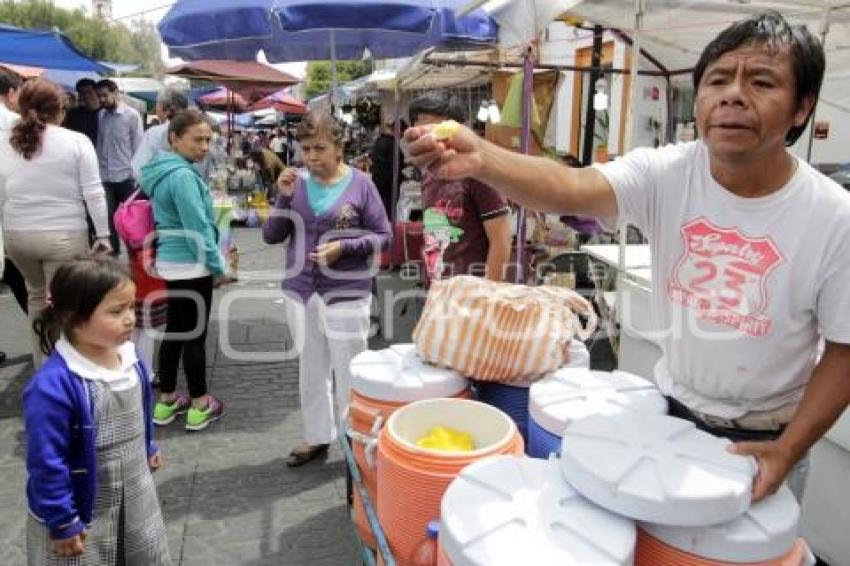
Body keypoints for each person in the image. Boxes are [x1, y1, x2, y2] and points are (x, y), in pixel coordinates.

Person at [405, 11, 850, 503]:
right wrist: (484, 159)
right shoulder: (668, 171)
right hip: (669, 415)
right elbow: (571, 187)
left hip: (768, 435)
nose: (733, 95)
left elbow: (845, 349)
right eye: (718, 79)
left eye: (762, 81)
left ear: (802, 107)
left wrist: (790, 448)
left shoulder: (834, 218)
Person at [263, 111, 391, 467]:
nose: (312, 156)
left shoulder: (361, 184)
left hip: (347, 292)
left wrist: (344, 247)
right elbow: (272, 235)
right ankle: (318, 435)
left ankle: (355, 438)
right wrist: (283, 198)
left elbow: (384, 236)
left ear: (340, 146)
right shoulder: (296, 184)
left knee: (350, 368)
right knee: (311, 367)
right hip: (301, 290)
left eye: (320, 147)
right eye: (306, 149)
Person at [23, 258, 171, 564]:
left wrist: (147, 444)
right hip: (83, 510)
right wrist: (62, 520)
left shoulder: (130, 357)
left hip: (136, 491)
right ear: (72, 316)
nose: (130, 318)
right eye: (116, 312)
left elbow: (140, 410)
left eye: (131, 307)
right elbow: (46, 462)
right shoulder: (53, 385)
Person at [0, 79, 111, 368]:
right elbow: (94, 192)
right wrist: (103, 234)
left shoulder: (5, 141)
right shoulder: (75, 141)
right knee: (65, 303)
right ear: (60, 110)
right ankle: (69, 369)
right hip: (63, 234)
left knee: (36, 297)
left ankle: (44, 367)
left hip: (17, 235)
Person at [140, 109, 226, 432]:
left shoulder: (160, 171)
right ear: (174, 138)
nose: (204, 146)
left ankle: (165, 401)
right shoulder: (183, 176)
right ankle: (200, 404)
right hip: (192, 263)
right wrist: (218, 266)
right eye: (197, 139)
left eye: (208, 140)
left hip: (171, 261)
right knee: (194, 336)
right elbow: (198, 229)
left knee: (175, 331)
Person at [408, 91, 512, 283]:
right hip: (439, 290)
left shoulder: (478, 173)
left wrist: (487, 296)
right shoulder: (429, 174)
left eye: (433, 127)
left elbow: (501, 241)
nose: (425, 135)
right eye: (419, 125)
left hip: (471, 294)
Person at [95, 78, 144, 256]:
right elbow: (100, 145)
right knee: (108, 219)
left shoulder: (132, 116)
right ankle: (113, 256)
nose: (101, 100)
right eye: (99, 96)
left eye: (104, 95)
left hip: (126, 177)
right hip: (105, 177)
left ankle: (135, 255)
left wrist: (136, 175)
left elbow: (138, 147)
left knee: (131, 220)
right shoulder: (101, 116)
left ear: (116, 93)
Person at [0, 68, 29, 365]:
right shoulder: (14, 124)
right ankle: (46, 338)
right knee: (21, 280)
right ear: (10, 93)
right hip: (10, 214)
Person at [131, 88, 189, 179]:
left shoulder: (155, 133)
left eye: (157, 104)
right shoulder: (195, 131)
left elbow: (138, 170)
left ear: (162, 107)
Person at [369, 119, 407, 219]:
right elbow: (395, 165)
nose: (403, 136)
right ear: (398, 130)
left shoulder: (379, 140)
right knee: (388, 213)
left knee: (379, 211)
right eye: (403, 132)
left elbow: (376, 160)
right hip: (389, 186)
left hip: (377, 182)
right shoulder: (392, 144)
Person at [63, 78, 100, 147]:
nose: (86, 96)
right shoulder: (73, 114)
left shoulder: (106, 114)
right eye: (82, 93)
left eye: (89, 92)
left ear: (97, 92)